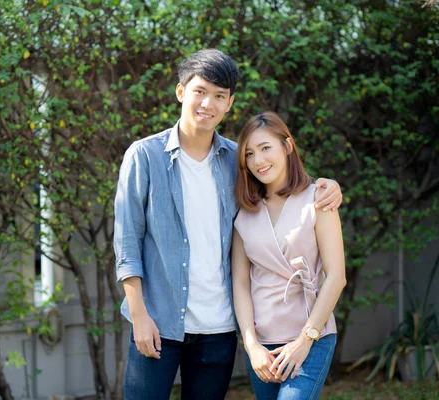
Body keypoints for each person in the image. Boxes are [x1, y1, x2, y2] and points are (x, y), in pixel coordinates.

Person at [113, 49, 342, 400]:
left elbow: (282, 186)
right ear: (181, 92)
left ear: (229, 103)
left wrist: (328, 185)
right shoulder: (144, 157)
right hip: (157, 322)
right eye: (200, 91)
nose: (208, 104)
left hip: (217, 329)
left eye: (219, 96)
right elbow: (127, 244)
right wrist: (139, 316)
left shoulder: (238, 160)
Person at [232, 112, 346, 400]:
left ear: (288, 146)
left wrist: (306, 339)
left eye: (266, 148)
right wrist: (251, 345)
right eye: (249, 154)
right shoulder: (244, 215)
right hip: (263, 345)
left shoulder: (318, 200)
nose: (258, 161)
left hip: (311, 335)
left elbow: (336, 277)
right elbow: (241, 285)